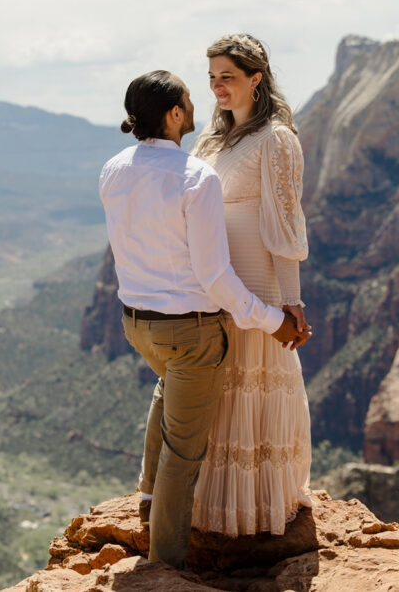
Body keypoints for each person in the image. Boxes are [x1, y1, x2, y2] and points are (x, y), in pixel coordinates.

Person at [99, 70, 311, 569]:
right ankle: (164, 563)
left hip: (136, 323)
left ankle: (147, 499)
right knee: (185, 452)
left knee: (167, 388)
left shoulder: (113, 169)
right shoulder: (196, 177)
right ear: (174, 114)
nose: (199, 101)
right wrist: (271, 320)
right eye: (190, 98)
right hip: (189, 329)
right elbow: (216, 279)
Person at [189, 33, 314, 536]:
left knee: (254, 388)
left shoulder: (277, 139)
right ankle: (215, 511)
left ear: (255, 78)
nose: (219, 87)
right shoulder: (211, 139)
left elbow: (285, 224)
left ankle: (258, 509)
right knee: (218, 394)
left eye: (229, 77)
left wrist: (290, 300)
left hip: (257, 280)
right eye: (213, 78)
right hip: (213, 282)